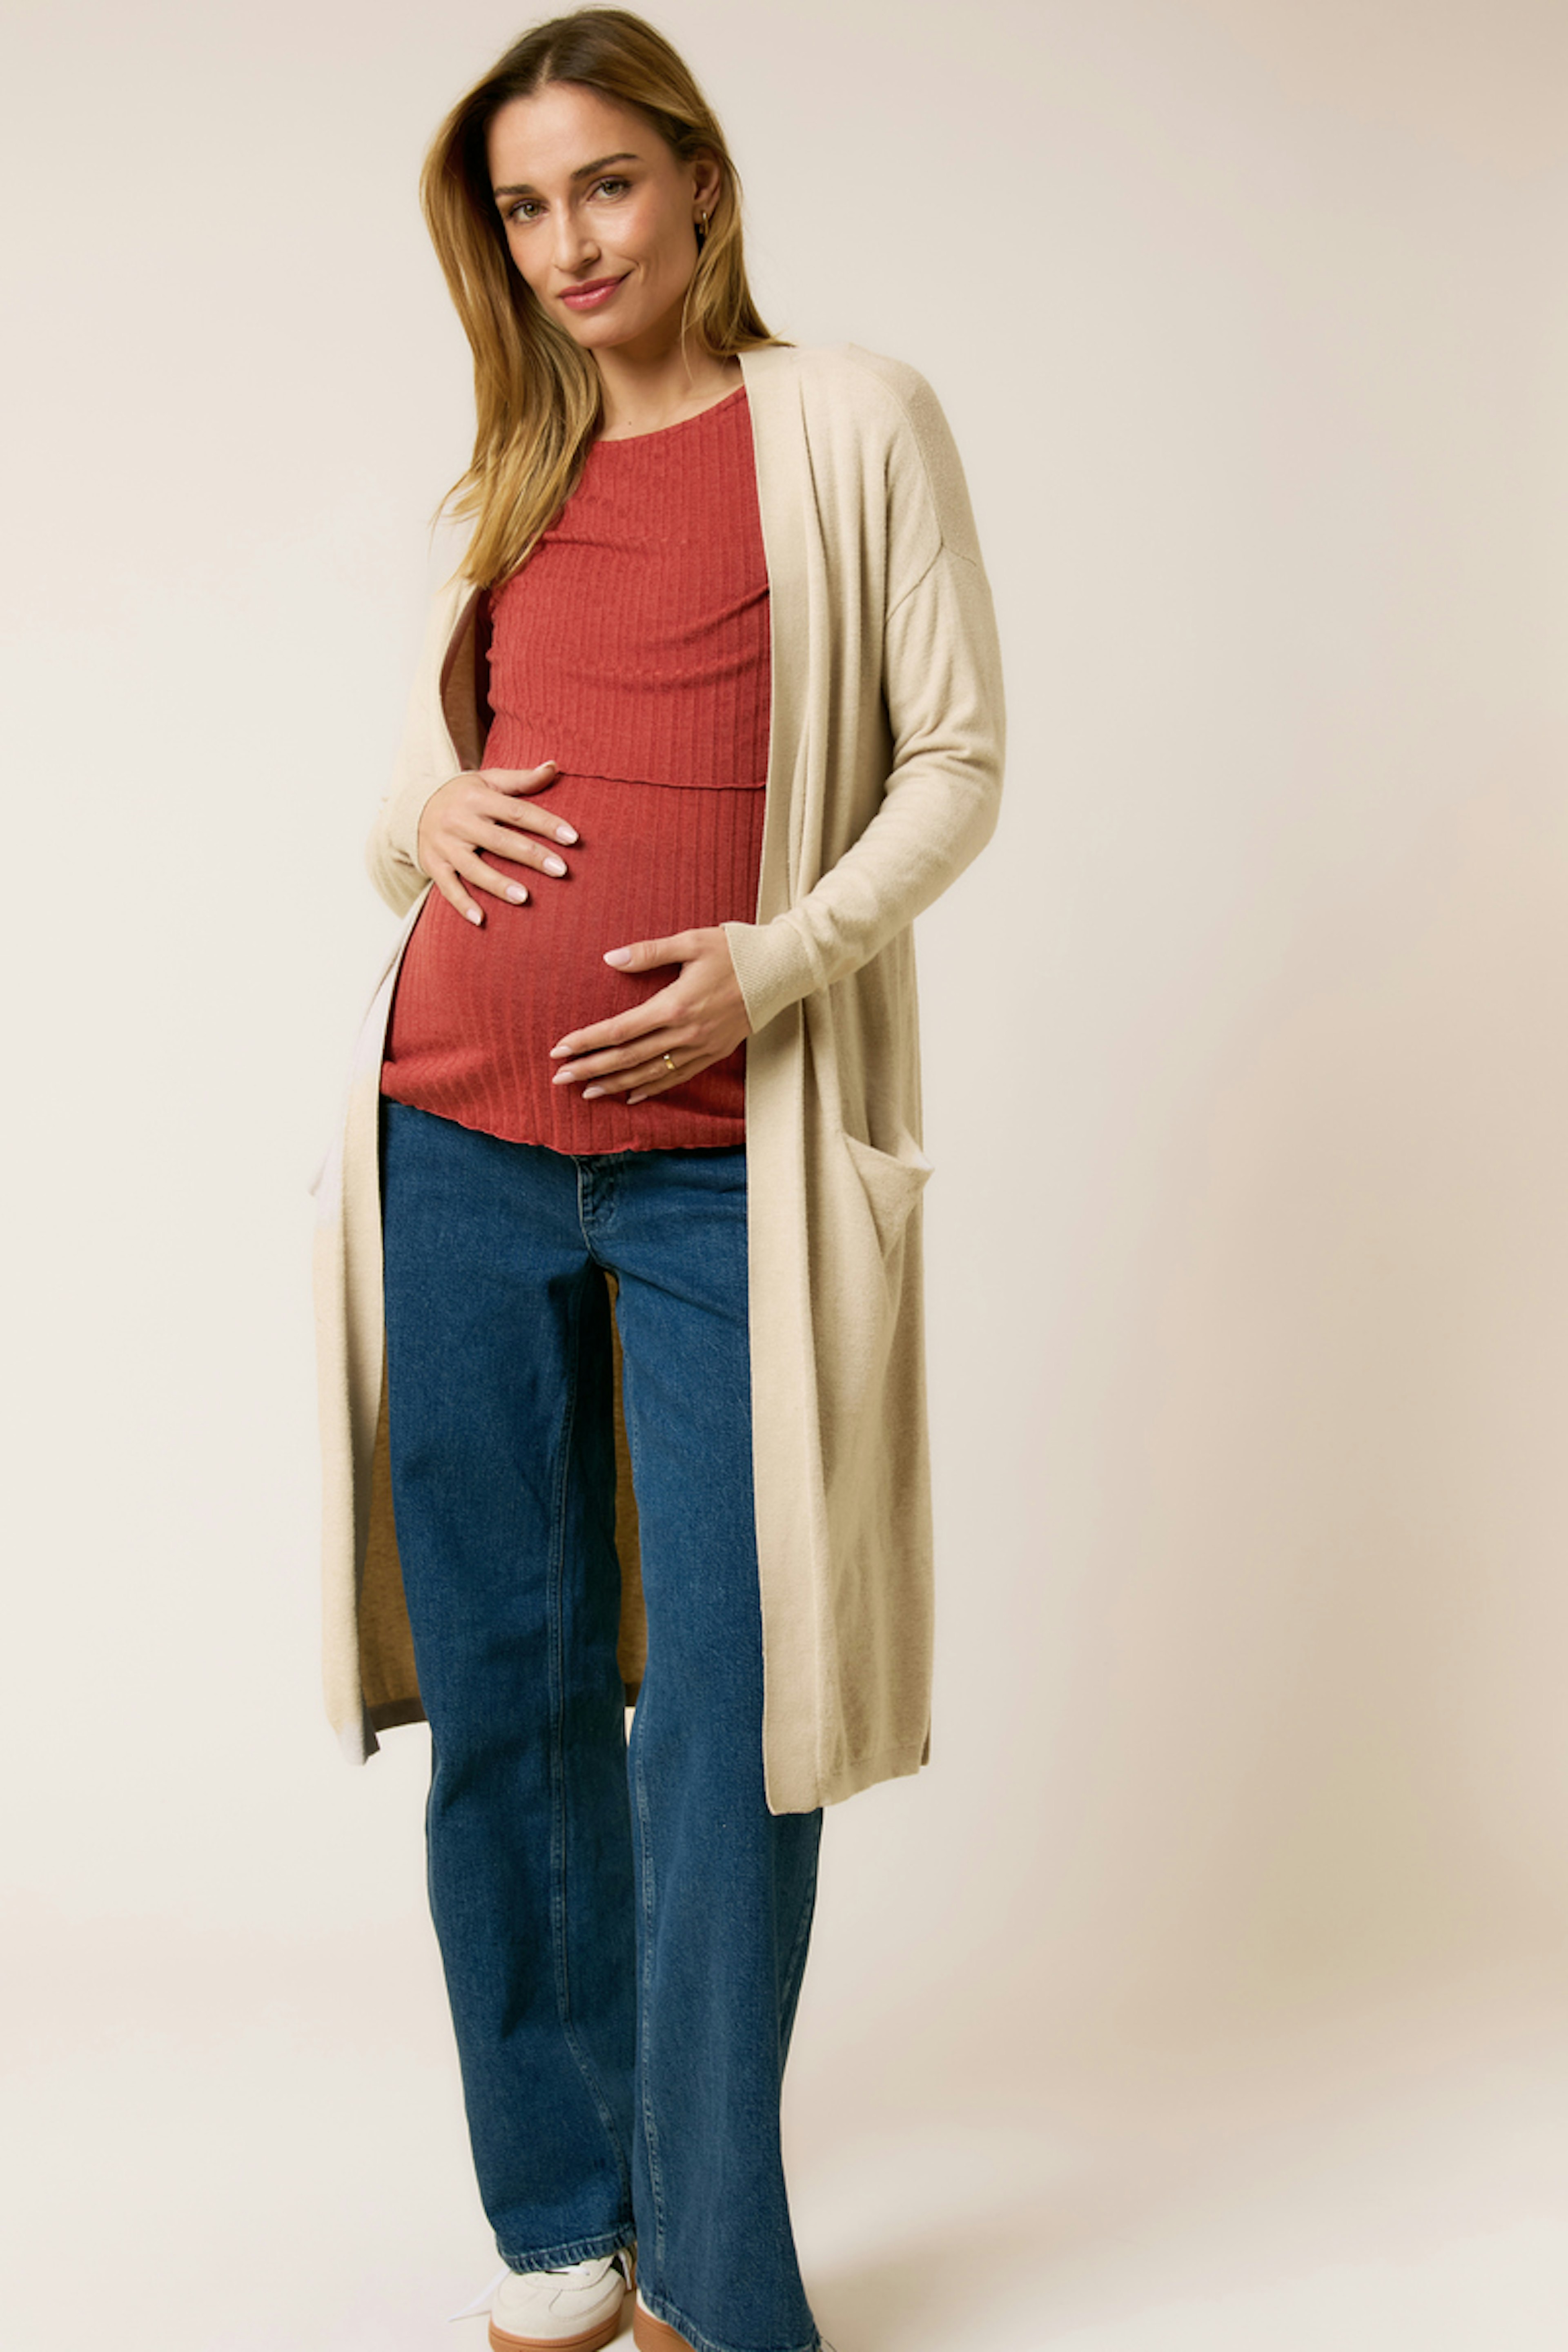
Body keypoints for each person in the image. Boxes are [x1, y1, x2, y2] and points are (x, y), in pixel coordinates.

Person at [309, 11, 1006, 2351]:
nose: (569, 243)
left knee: (732, 1720)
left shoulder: (853, 419)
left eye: (604, 184)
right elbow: (423, 793)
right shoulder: (504, 473)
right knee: (507, 1706)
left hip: (727, 1171)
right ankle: (558, 2228)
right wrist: (414, 817)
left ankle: (714, 2263)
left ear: (699, 177)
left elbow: (956, 760)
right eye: (525, 208)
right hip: (458, 1144)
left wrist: (768, 966)